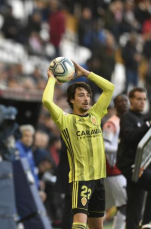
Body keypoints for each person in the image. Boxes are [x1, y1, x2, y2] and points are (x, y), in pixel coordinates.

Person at [42, 61, 115, 229]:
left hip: (99, 179)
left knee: (97, 226)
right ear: (71, 100)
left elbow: (110, 88)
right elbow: (47, 101)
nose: (86, 98)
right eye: (81, 95)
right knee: (79, 225)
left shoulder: (96, 114)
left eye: (87, 95)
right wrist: (52, 79)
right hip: (81, 179)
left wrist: (86, 73)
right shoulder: (66, 120)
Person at [117, 87, 151, 229]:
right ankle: (147, 223)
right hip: (130, 164)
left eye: (144, 99)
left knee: (134, 205)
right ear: (131, 99)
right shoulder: (127, 117)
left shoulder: (142, 118)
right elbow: (131, 138)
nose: (142, 102)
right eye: (139, 99)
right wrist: (147, 126)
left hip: (142, 164)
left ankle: (135, 225)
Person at [102, 94, 129, 229]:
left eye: (126, 101)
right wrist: (120, 149)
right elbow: (104, 145)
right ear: (115, 105)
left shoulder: (127, 122)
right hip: (113, 168)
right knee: (124, 202)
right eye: (121, 101)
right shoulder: (111, 123)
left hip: (124, 168)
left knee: (122, 203)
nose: (124, 104)